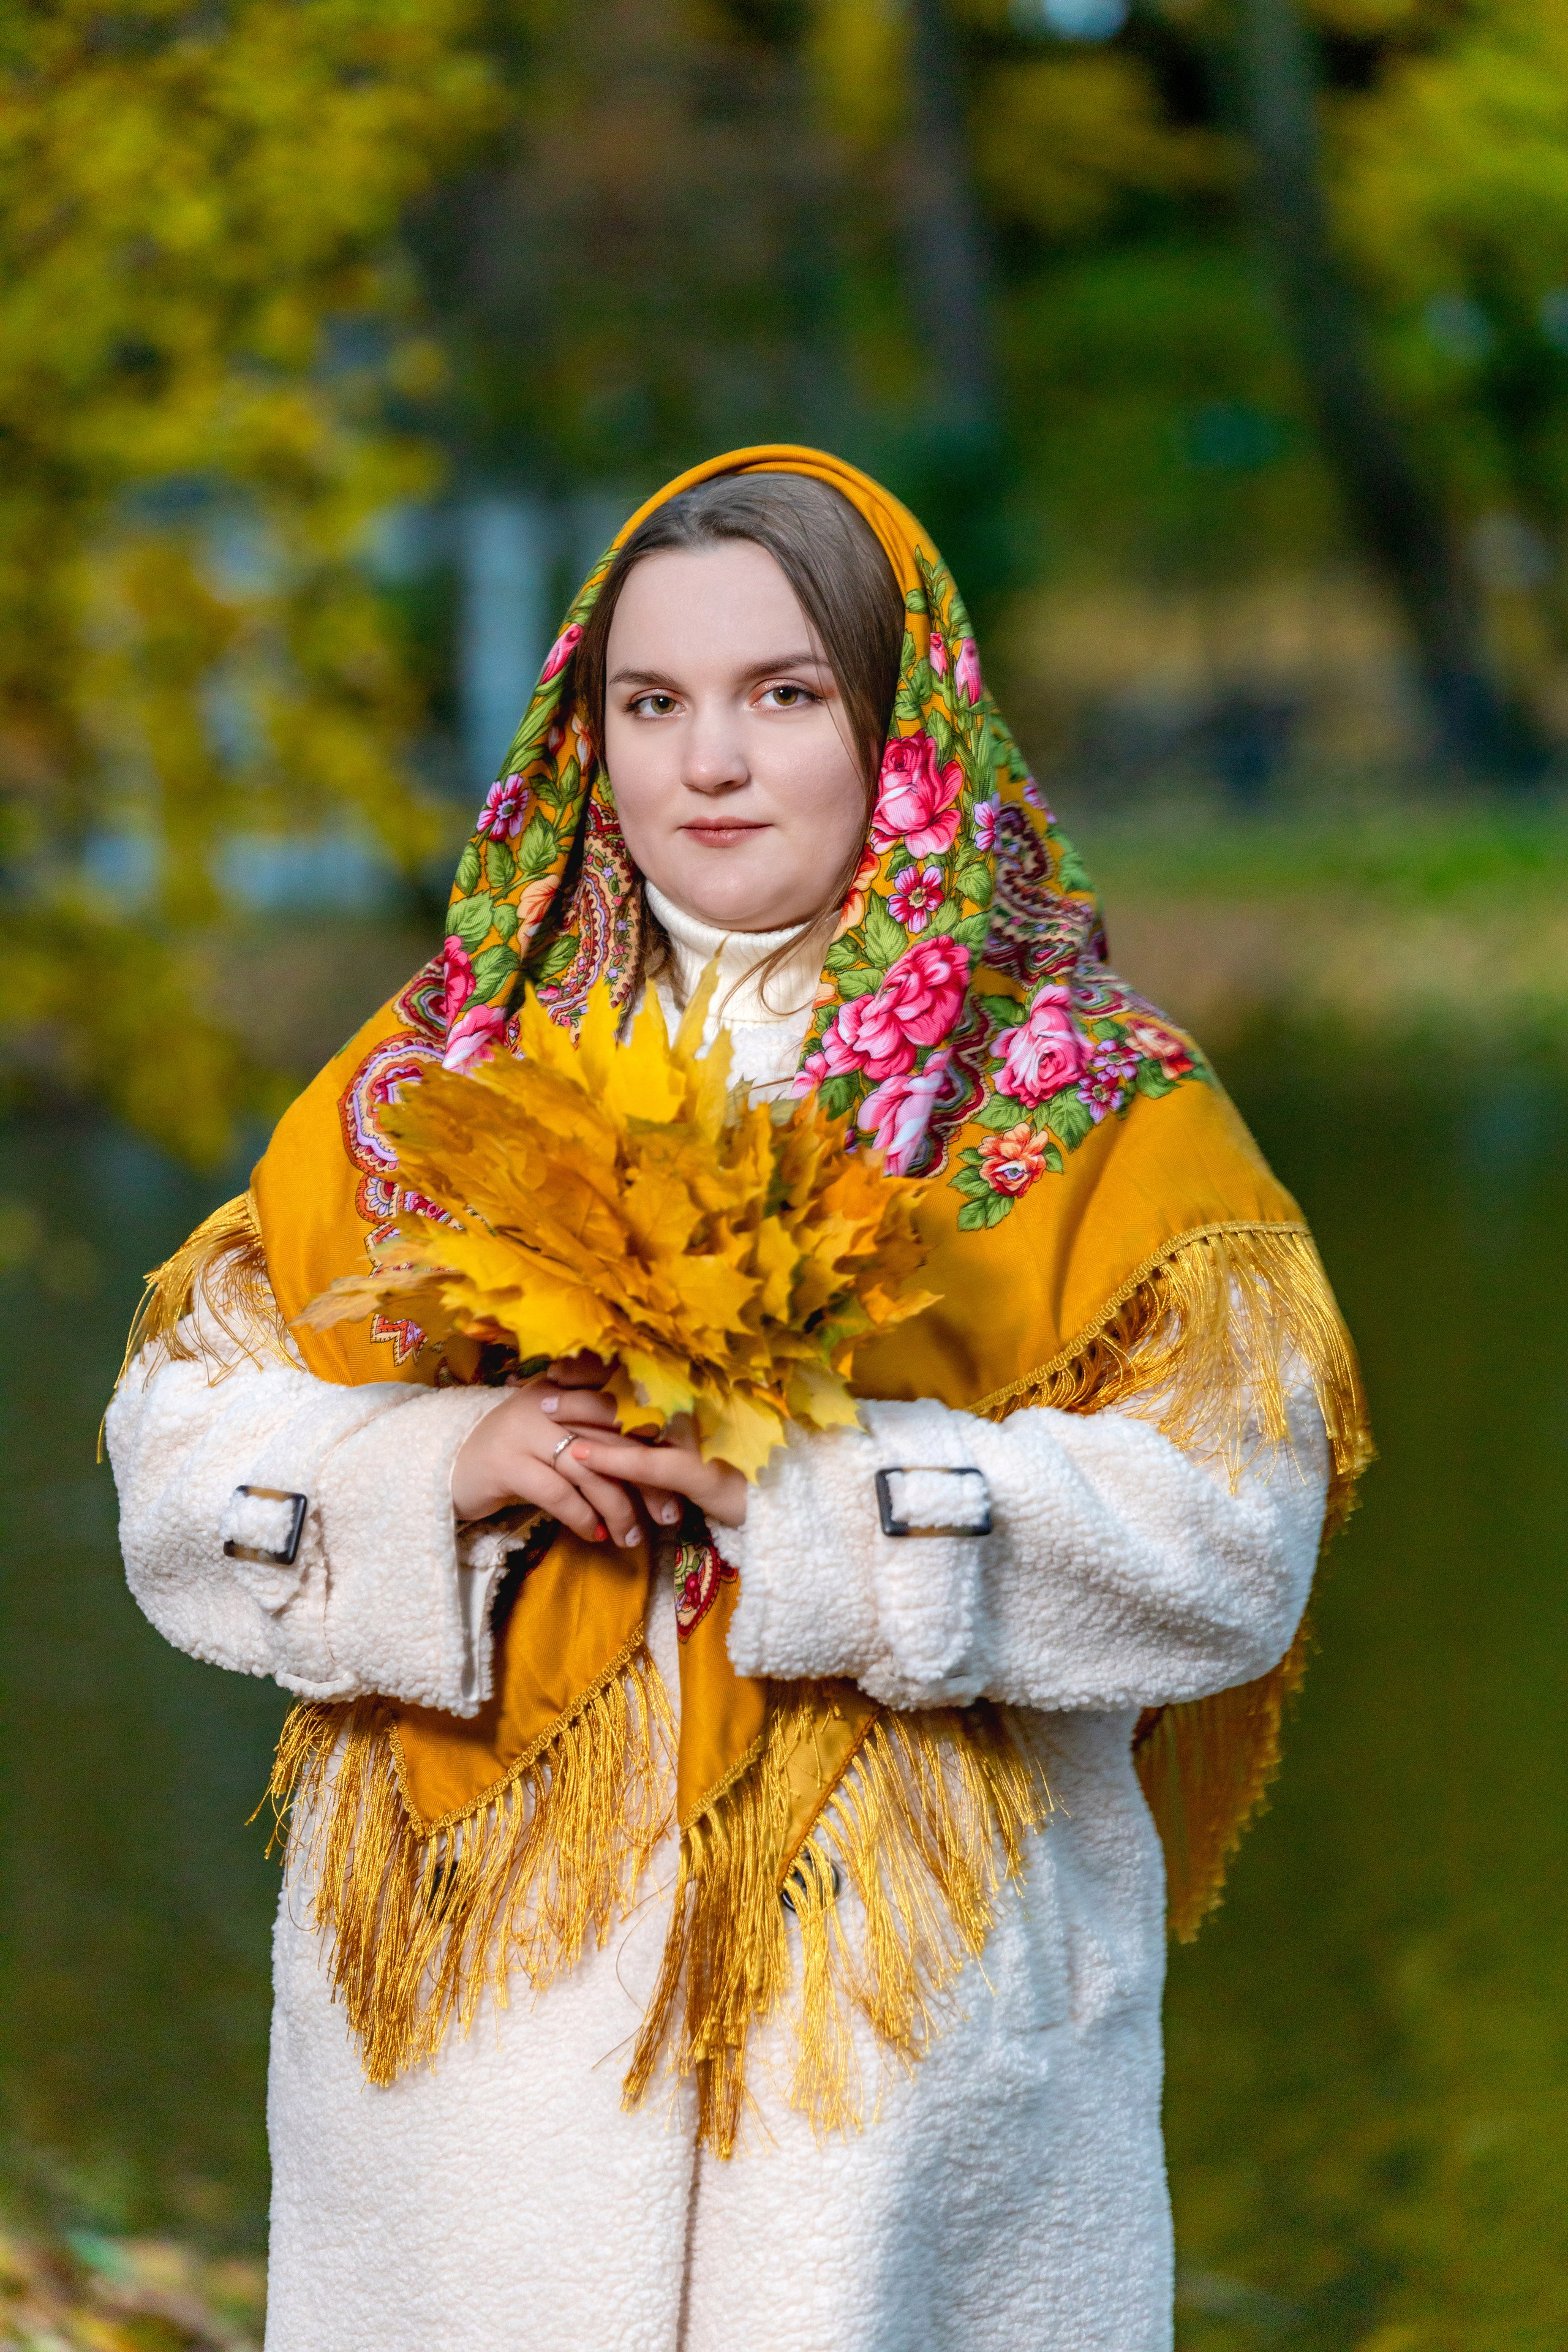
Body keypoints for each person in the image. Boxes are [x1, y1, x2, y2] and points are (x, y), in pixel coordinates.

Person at [108, 447, 1370, 2352]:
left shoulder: (1090, 1099)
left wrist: (830, 1496)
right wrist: (439, 1459)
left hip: (905, 2049)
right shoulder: (437, 1072)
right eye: (652, 703)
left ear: (902, 716)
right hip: (473, 2060)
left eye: (783, 694)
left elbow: (1229, 1545)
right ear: (586, 733)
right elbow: (176, 1441)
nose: (708, 762)